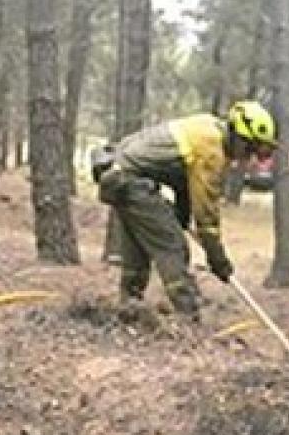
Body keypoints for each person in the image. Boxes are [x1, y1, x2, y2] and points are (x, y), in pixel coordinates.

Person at [94, 102, 279, 318]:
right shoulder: (212, 151)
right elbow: (206, 216)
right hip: (129, 181)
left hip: (118, 176)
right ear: (238, 137)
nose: (249, 158)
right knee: (172, 245)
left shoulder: (207, 127)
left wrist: (182, 212)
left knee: (138, 249)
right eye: (250, 149)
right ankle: (188, 315)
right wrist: (218, 259)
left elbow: (183, 177)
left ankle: (128, 309)